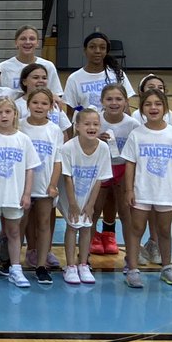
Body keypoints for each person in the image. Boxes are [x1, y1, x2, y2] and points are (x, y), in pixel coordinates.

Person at [120, 89, 172, 288]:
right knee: (137, 229)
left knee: (164, 230)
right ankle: (132, 269)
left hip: (166, 191)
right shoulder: (137, 134)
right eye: (148, 104)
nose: (153, 107)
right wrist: (129, 190)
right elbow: (130, 164)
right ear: (141, 109)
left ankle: (167, 268)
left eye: (158, 104)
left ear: (165, 108)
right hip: (142, 190)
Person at [50, 107, 112, 285]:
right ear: (76, 126)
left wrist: (91, 204)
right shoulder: (68, 148)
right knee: (73, 225)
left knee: (87, 226)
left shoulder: (103, 149)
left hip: (89, 192)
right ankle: (70, 266)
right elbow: (67, 178)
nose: (91, 127)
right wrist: (73, 204)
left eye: (95, 124)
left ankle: (83, 263)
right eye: (87, 124)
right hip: (71, 194)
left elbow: (100, 178)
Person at [0, 97, 38, 289]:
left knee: (14, 232)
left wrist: (27, 193)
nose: (4, 115)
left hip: (15, 194)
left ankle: (15, 268)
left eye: (7, 111)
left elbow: (30, 168)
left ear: (15, 113)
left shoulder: (23, 139)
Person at [20, 87, 63, 282]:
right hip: (22, 186)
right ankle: (12, 262)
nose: (39, 106)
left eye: (44, 103)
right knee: (20, 224)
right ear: (28, 104)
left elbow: (57, 160)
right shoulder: (19, 126)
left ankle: (41, 264)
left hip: (45, 185)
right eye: (35, 102)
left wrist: (53, 184)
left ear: (51, 106)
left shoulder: (54, 130)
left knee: (44, 224)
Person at [93, 82, 139, 258]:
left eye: (119, 99)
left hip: (123, 169)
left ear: (126, 102)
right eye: (109, 99)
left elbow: (136, 154)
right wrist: (96, 139)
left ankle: (131, 256)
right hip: (100, 168)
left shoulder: (132, 124)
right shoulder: (96, 119)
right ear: (102, 101)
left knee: (126, 214)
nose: (114, 102)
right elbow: (79, 141)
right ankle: (87, 251)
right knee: (94, 210)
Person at [63, 31, 134, 112]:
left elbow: (126, 108)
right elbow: (71, 112)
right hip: (88, 124)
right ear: (85, 50)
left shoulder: (117, 74)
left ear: (107, 51)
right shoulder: (74, 78)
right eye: (92, 47)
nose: (97, 51)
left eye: (102, 47)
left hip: (114, 124)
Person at [0, 25, 63, 96]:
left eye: (32, 39)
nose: (27, 42)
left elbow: (56, 94)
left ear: (37, 43)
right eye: (23, 39)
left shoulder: (48, 66)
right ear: (16, 42)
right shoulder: (3, 67)